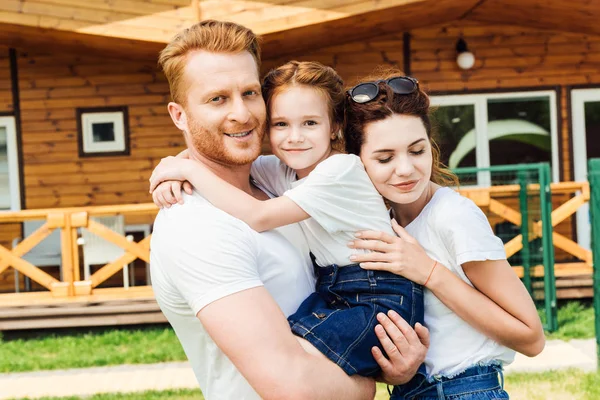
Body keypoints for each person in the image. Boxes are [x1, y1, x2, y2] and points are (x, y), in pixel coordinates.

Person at [149, 20, 428, 400]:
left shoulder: (271, 181)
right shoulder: (195, 225)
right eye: (217, 99)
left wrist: (181, 164)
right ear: (179, 115)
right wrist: (370, 381)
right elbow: (296, 390)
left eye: (249, 93)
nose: (242, 114)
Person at [341, 72, 545, 399]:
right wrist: (393, 372)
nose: (405, 169)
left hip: (464, 390)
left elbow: (531, 337)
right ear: (357, 162)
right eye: (385, 157)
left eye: (417, 151)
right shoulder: (384, 223)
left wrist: (430, 272)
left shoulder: (452, 216)